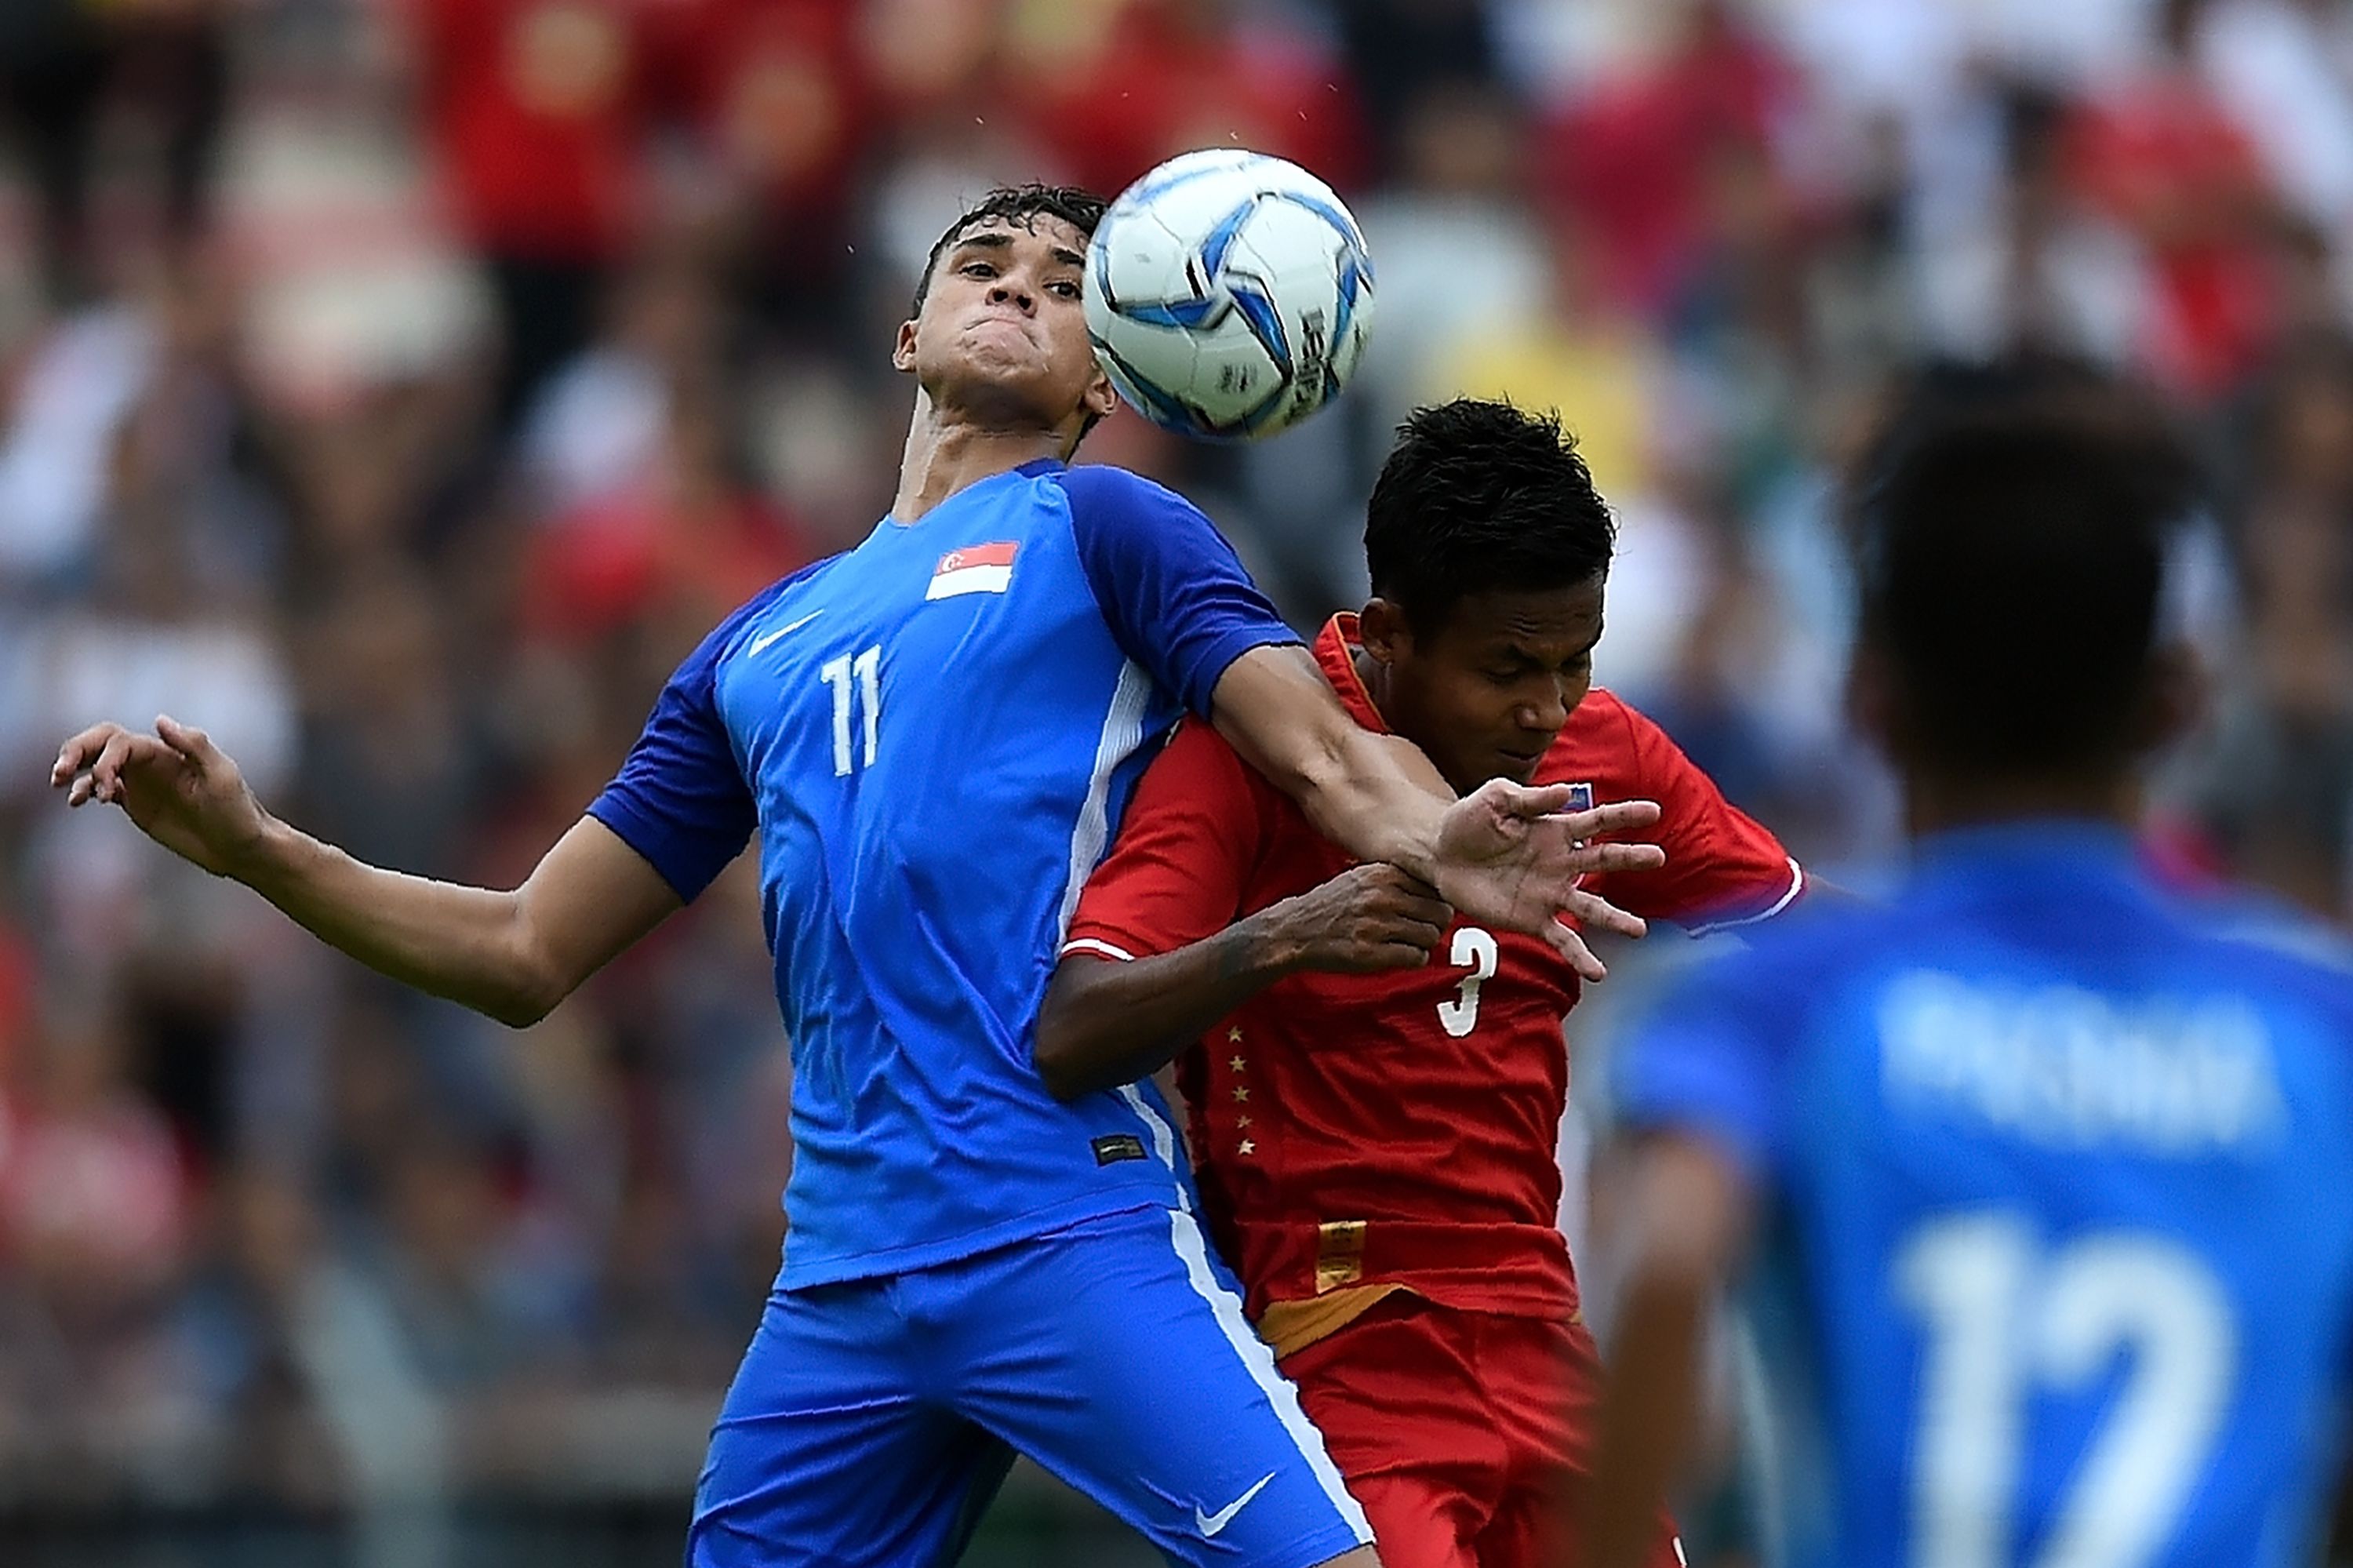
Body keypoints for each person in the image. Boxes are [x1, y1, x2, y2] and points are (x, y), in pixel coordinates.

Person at [49, 184, 1667, 1568]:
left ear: (1110, 370)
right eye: (987, 267)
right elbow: (526, 951)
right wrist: (262, 851)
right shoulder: (753, 644)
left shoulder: (1111, 529)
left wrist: (1427, 830)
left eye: (1064, 283)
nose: (1023, 288)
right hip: (842, 1277)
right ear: (909, 337)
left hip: (1062, 1226)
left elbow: (1315, 747)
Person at [1580, 374, 2353, 1568]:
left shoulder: (1781, 1003)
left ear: (1868, 699)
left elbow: (1671, 1264)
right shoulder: (2316, 1023)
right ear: (2180, 702)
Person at [1033, 398, 1806, 1568]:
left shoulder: (1605, 757)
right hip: (1339, 1342)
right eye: (1508, 669)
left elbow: (1805, 930)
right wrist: (1284, 939)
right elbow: (1072, 1030)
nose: (1547, 709)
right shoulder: (1249, 761)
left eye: (1575, 660)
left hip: (1545, 1337)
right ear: (1389, 631)